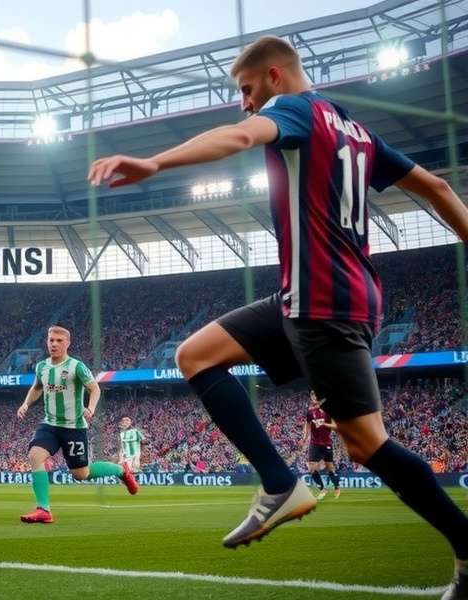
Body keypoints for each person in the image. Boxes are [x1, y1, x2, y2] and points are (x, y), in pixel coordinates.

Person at [88, 35, 468, 599]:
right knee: (195, 355)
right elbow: (435, 186)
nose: (244, 103)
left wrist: (156, 161)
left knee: (365, 444)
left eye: (246, 89)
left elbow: (243, 135)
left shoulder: (293, 110)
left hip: (325, 301)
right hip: (311, 297)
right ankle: (279, 481)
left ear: (273, 75)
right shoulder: (357, 132)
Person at [17, 325, 139, 523]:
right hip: (50, 424)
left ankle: (121, 470)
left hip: (74, 427)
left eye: (59, 340)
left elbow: (95, 388)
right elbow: (37, 387)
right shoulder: (42, 367)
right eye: (51, 340)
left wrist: (90, 408)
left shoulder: (76, 366)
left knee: (81, 474)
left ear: (67, 343)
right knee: (35, 455)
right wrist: (25, 403)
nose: (54, 344)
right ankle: (43, 509)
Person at [302, 391, 340, 499]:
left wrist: (324, 423)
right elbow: (308, 425)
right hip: (314, 443)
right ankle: (323, 489)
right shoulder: (310, 412)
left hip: (326, 443)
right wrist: (304, 437)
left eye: (315, 394)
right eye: (312, 394)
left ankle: (337, 487)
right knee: (311, 467)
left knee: (330, 468)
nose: (313, 396)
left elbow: (336, 427)